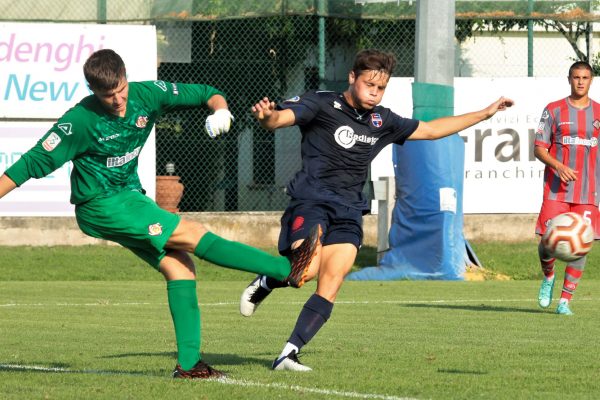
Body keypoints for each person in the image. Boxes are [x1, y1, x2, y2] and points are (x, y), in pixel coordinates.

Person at [0, 49, 322, 379]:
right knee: (191, 233)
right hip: (101, 205)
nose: (117, 101)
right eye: (107, 96)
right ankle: (286, 268)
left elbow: (206, 93)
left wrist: (221, 111)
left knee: (179, 267)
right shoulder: (79, 120)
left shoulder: (147, 94)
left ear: (126, 77)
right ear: (92, 90)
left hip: (128, 199)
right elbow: (28, 163)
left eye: (121, 90)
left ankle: (188, 365)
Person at [239, 48, 514, 371]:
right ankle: (267, 282)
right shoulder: (321, 103)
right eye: (369, 84)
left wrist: (485, 113)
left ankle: (288, 353)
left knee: (332, 280)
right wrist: (267, 116)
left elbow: (431, 130)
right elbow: (279, 119)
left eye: (381, 87)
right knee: (305, 272)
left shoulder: (382, 120)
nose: (375, 92)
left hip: (349, 211)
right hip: (312, 201)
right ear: (352, 77)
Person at [535, 61, 600, 316]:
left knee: (580, 244)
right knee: (546, 242)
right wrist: (558, 165)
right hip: (557, 190)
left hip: (587, 193)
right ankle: (548, 276)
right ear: (569, 79)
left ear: (591, 80)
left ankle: (565, 301)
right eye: (576, 77)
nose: (580, 82)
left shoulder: (598, 113)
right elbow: (539, 147)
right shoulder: (554, 110)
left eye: (585, 77)